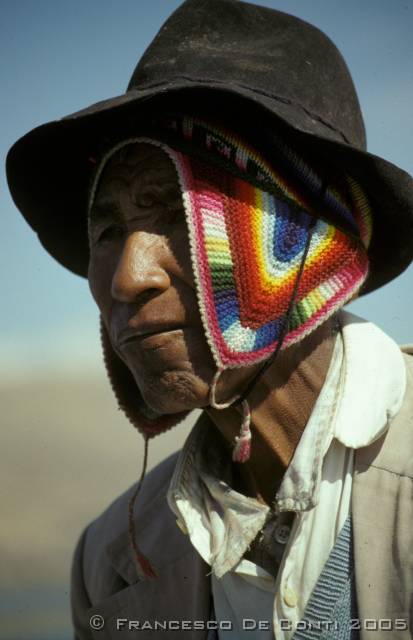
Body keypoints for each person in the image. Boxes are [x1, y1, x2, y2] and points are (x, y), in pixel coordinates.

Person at [6, 1, 413, 638]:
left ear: (304, 241)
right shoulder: (108, 566)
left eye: (174, 210)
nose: (125, 278)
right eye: (108, 230)